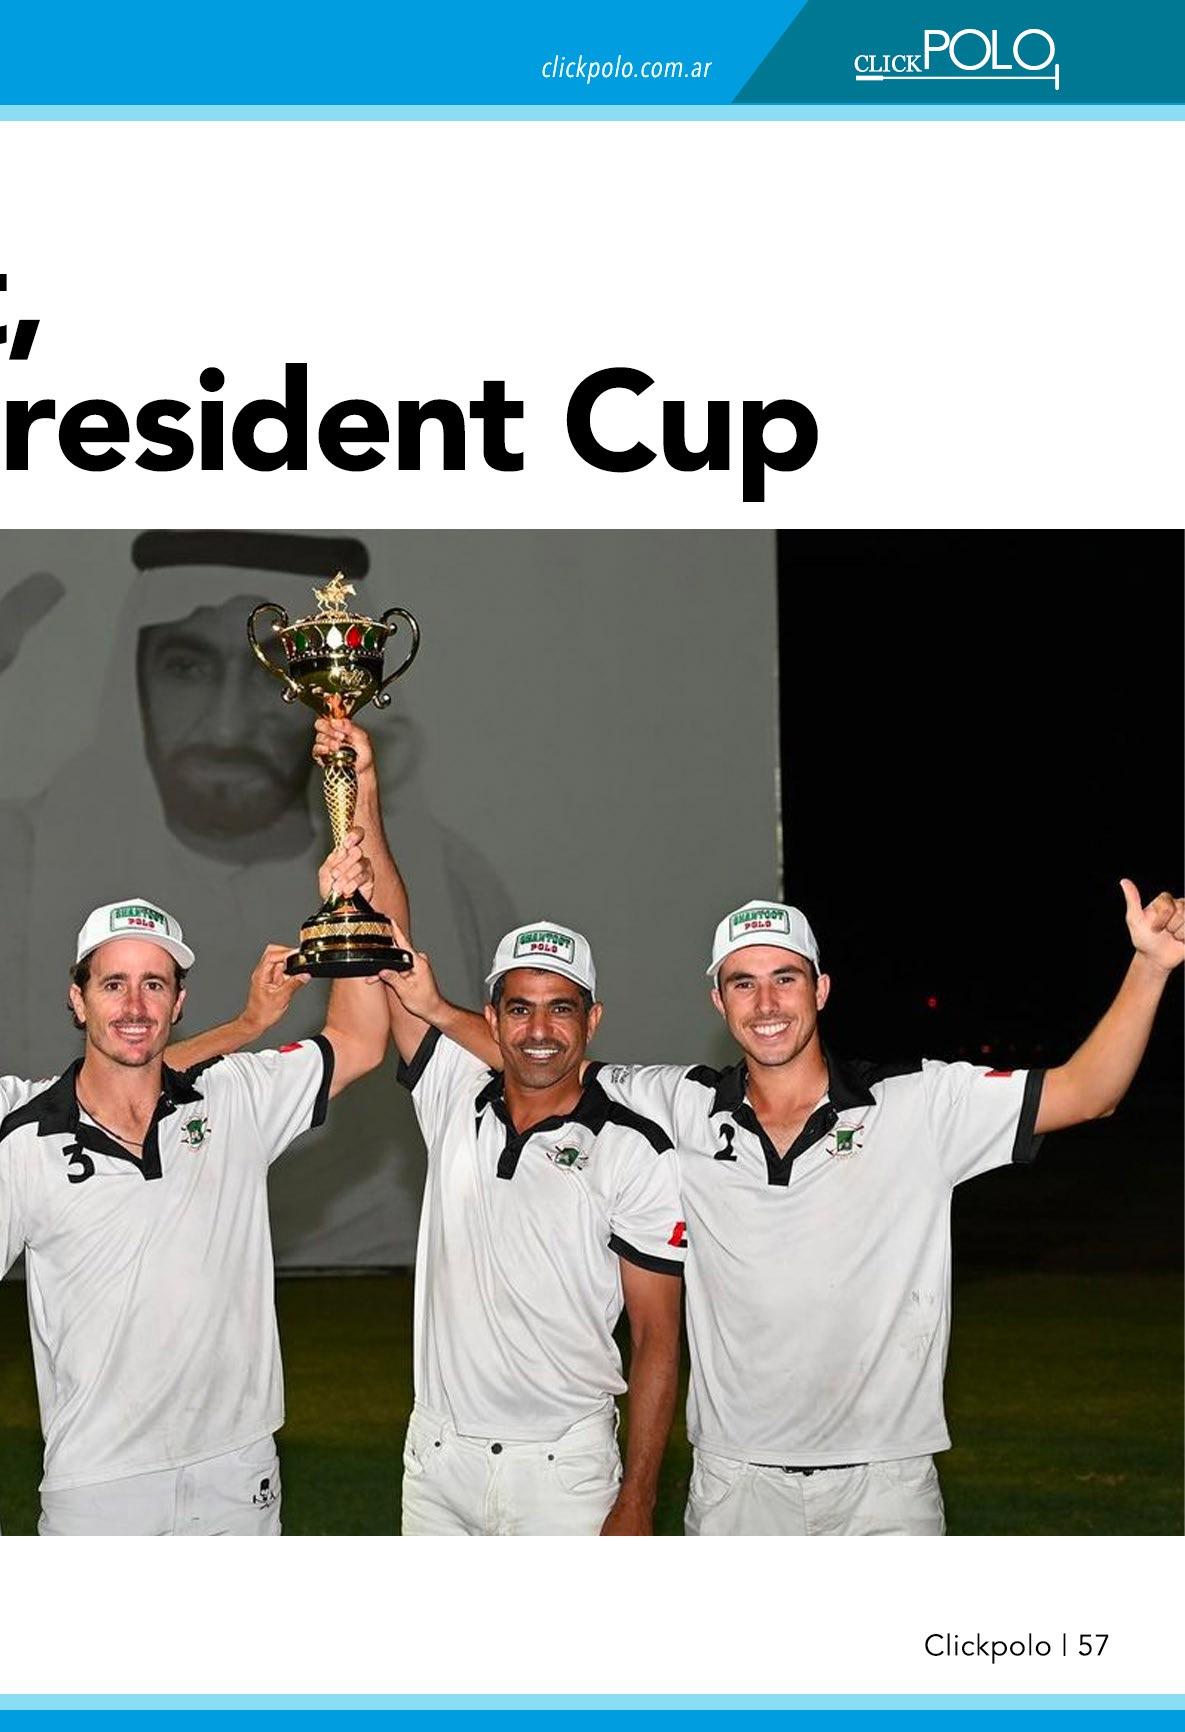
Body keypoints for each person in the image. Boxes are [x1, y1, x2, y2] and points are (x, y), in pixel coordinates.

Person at [372, 880, 1184, 1537]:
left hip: (884, 1483)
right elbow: (541, 1059)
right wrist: (437, 1009)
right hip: (734, 1483)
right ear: (718, 1001)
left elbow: (1087, 1093)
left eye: (784, 978)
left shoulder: (918, 1103)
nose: (765, 1003)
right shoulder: (679, 1103)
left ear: (820, 988)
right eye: (743, 982)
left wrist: (1148, 968)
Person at [0, 529, 516, 1267]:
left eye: (268, 679)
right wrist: (246, 1025)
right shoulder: (19, 864)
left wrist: (362, 798)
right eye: (186, 667)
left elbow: (365, 1045)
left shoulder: (452, 884)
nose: (226, 724)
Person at [316, 716, 686, 1536]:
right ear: (491, 1015)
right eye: (518, 1008)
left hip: (564, 1470)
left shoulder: (635, 1150)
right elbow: (391, 939)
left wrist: (637, 1497)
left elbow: (658, 1339)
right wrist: (362, 790)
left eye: (561, 1009)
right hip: (437, 1460)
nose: (538, 1030)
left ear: (592, 1020)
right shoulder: (452, 1089)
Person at [0, 853, 391, 1536]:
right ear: (78, 999)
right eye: (113, 984)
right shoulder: (20, 1132)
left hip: (237, 1470)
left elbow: (357, 1042)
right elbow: (116, 1078)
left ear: (178, 1003)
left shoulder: (234, 1097)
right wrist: (242, 1026)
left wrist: (348, 910)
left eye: (154, 985)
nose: (134, 1006)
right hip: (98, 1479)